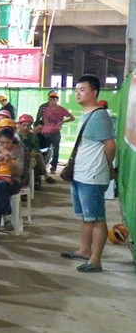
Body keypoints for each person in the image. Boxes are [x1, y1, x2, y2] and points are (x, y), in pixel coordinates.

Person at [60, 75, 116, 273]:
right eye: (76, 89)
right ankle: (84, 250)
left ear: (94, 93)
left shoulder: (99, 115)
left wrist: (104, 166)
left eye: (82, 89)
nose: (77, 93)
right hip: (81, 174)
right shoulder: (87, 114)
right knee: (86, 217)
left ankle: (95, 260)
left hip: (92, 176)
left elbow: (110, 146)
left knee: (97, 218)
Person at [0, 127, 25, 237]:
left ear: (12, 140)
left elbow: (20, 172)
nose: (5, 145)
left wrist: (11, 162)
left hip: (13, 181)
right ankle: (6, 215)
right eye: (2, 143)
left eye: (8, 143)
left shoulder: (19, 150)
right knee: (0, 186)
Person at [38, 90, 74, 173]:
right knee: (44, 150)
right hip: (46, 132)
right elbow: (44, 120)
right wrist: (43, 129)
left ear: (57, 100)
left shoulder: (61, 110)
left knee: (56, 151)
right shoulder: (46, 109)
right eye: (51, 99)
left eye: (54, 99)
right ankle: (42, 166)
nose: (52, 101)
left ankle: (53, 168)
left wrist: (63, 121)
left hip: (55, 133)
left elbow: (72, 118)